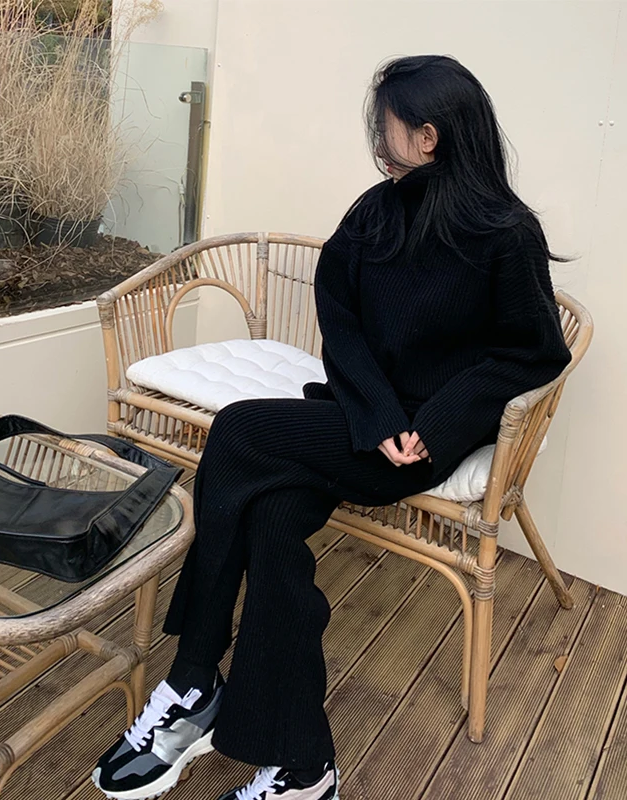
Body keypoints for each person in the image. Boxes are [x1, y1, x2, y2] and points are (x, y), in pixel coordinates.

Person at [91, 54, 572, 800]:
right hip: (356, 417)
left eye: (387, 125)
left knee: (238, 432)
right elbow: (338, 316)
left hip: (416, 450)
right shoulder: (376, 210)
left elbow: (533, 353)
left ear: (428, 136)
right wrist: (375, 411)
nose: (377, 140)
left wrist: (434, 426)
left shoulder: (506, 234)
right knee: (273, 520)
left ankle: (194, 680)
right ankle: (304, 768)